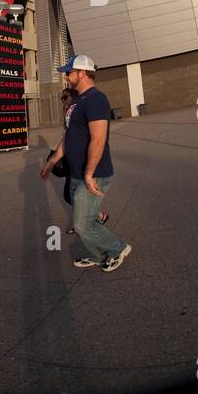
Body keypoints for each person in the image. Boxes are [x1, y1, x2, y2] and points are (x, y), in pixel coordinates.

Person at [39, 53, 131, 272]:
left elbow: (98, 139)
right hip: (77, 172)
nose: (66, 77)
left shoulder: (96, 99)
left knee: (82, 223)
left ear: (82, 73)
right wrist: (52, 162)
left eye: (69, 72)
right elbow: (68, 135)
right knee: (86, 219)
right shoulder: (77, 100)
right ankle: (99, 255)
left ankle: (117, 248)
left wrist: (89, 174)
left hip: (94, 172)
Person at [45, 85, 109, 234]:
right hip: (71, 159)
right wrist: (53, 160)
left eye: (65, 97)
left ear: (73, 97)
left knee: (73, 195)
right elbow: (67, 138)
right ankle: (87, 219)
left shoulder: (82, 109)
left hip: (81, 160)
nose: (63, 101)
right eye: (62, 98)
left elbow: (94, 138)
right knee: (73, 195)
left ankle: (92, 219)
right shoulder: (69, 113)